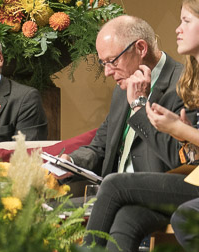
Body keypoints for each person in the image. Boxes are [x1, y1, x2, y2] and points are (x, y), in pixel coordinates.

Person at [85, 0, 199, 252]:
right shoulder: (198, 77)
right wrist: (186, 142)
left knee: (113, 185)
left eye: (186, 21)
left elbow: (179, 156)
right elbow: (194, 156)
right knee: (127, 217)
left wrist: (176, 129)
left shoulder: (179, 80)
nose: (177, 29)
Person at [62, 15, 184, 179]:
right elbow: (101, 147)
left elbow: (178, 158)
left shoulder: (183, 85)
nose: (107, 72)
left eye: (112, 61)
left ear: (141, 48)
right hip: (111, 193)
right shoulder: (122, 89)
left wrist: (140, 105)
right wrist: (69, 161)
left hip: (153, 195)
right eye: (103, 63)